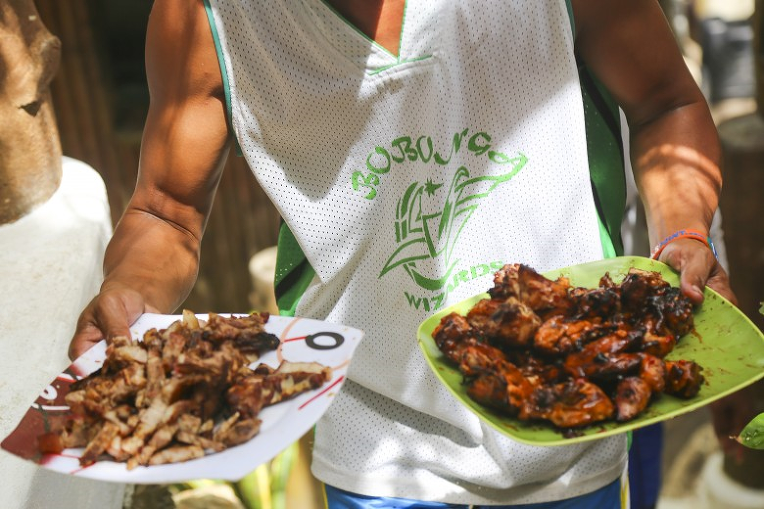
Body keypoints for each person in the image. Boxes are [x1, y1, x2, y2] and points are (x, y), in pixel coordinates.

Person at [69, 0, 737, 507]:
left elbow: (665, 102)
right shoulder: (208, 18)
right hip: (376, 448)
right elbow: (167, 210)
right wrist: (131, 287)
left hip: (568, 427)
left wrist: (684, 234)